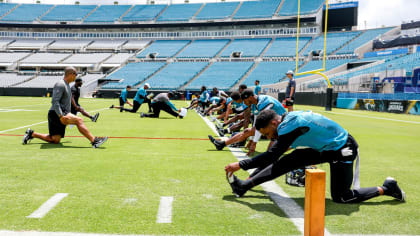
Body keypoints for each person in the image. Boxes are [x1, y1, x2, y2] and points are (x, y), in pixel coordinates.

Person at [224, 109, 406, 203]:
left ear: (274, 122)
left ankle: (387, 188)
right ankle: (244, 186)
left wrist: (241, 164)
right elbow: (277, 157)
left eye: (268, 133)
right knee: (290, 160)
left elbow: (271, 156)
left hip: (343, 147)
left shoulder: (289, 126)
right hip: (326, 146)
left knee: (342, 197)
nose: (270, 137)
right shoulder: (290, 119)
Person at [22, 67, 108, 148]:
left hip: (61, 113)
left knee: (55, 140)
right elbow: (55, 101)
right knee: (79, 120)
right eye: (76, 74)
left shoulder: (67, 85)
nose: (76, 76)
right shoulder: (60, 84)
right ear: (71, 74)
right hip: (57, 113)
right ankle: (94, 141)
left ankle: (32, 134)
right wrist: (61, 115)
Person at [209, 89, 287, 155]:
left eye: (244, 100)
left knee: (270, 154)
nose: (244, 103)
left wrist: (254, 142)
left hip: (284, 126)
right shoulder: (254, 105)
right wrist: (251, 139)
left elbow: (260, 125)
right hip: (274, 125)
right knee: (247, 131)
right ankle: (222, 144)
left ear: (250, 97)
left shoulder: (264, 102)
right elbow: (256, 124)